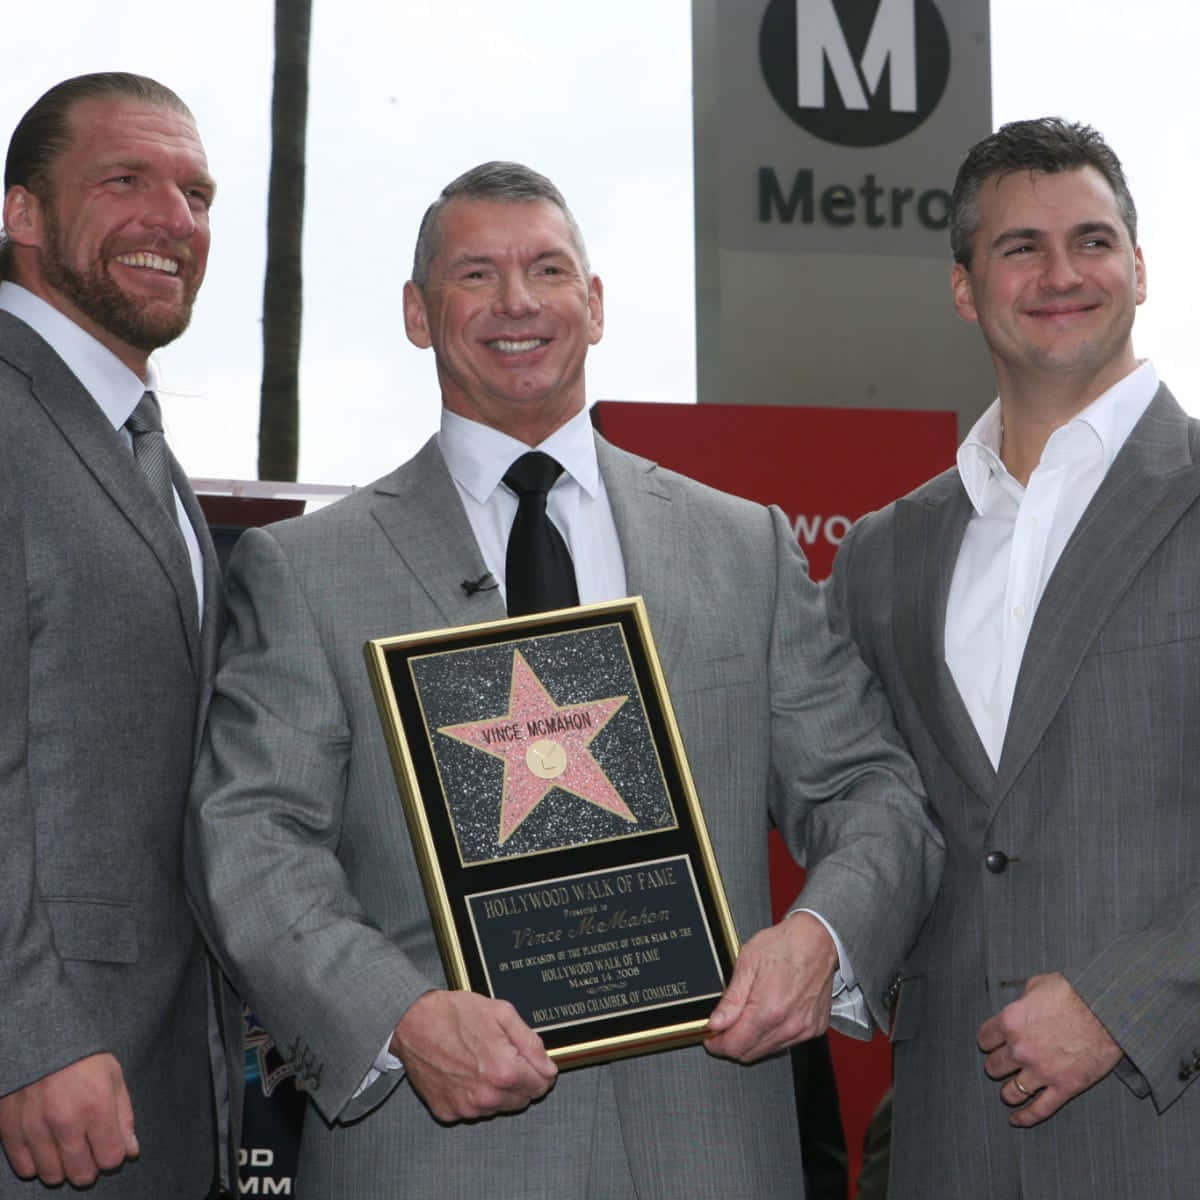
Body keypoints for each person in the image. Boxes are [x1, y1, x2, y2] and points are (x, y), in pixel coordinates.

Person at [185, 161, 941, 1199]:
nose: (517, 303)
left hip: (711, 1148)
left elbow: (871, 791)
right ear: (417, 313)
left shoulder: (744, 548)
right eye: (476, 275)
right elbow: (252, 838)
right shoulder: (309, 572)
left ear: (594, 303)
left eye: (548, 269)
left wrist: (825, 937)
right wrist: (398, 1016)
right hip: (434, 1154)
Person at [827, 117, 1200, 1199]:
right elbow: (848, 805)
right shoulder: (882, 555)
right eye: (1019, 248)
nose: (1060, 273)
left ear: (1139, 267)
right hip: (952, 1142)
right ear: (963, 287)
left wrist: (1134, 1002)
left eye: (1091, 240)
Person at [0, 73, 238, 1196]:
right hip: (43, 1087)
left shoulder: (139, 448)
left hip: (153, 1082)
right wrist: (27, 1029)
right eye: (126, 180)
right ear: (22, 214)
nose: (175, 221)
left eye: (197, 193)